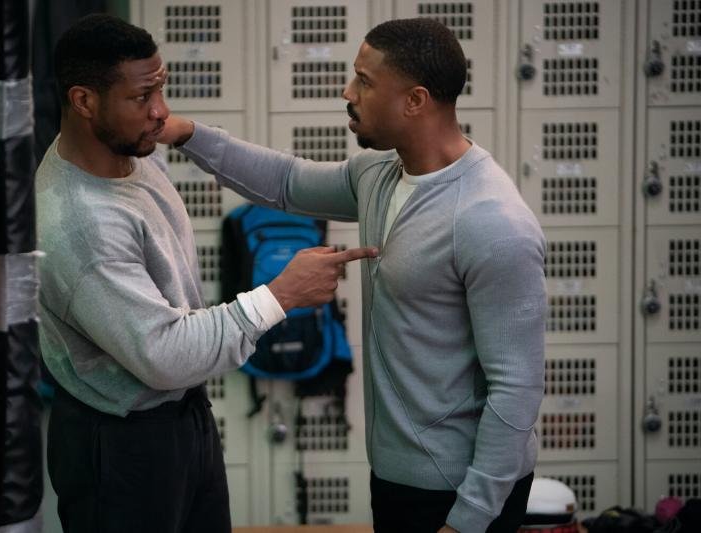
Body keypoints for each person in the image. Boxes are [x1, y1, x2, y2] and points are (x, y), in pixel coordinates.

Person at [162, 17, 547, 533]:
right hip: (396, 477)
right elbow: (286, 181)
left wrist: (471, 518)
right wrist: (187, 134)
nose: (348, 92)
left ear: (415, 100)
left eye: (364, 81)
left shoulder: (492, 222)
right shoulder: (381, 176)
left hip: (460, 493)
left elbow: (517, 387)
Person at [35, 14, 376, 533]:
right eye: (141, 97)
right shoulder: (81, 226)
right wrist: (278, 296)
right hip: (122, 442)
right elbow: (165, 355)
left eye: (161, 88)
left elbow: (285, 181)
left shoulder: (128, 149)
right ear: (83, 101)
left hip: (181, 416)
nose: (160, 111)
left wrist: (192, 135)